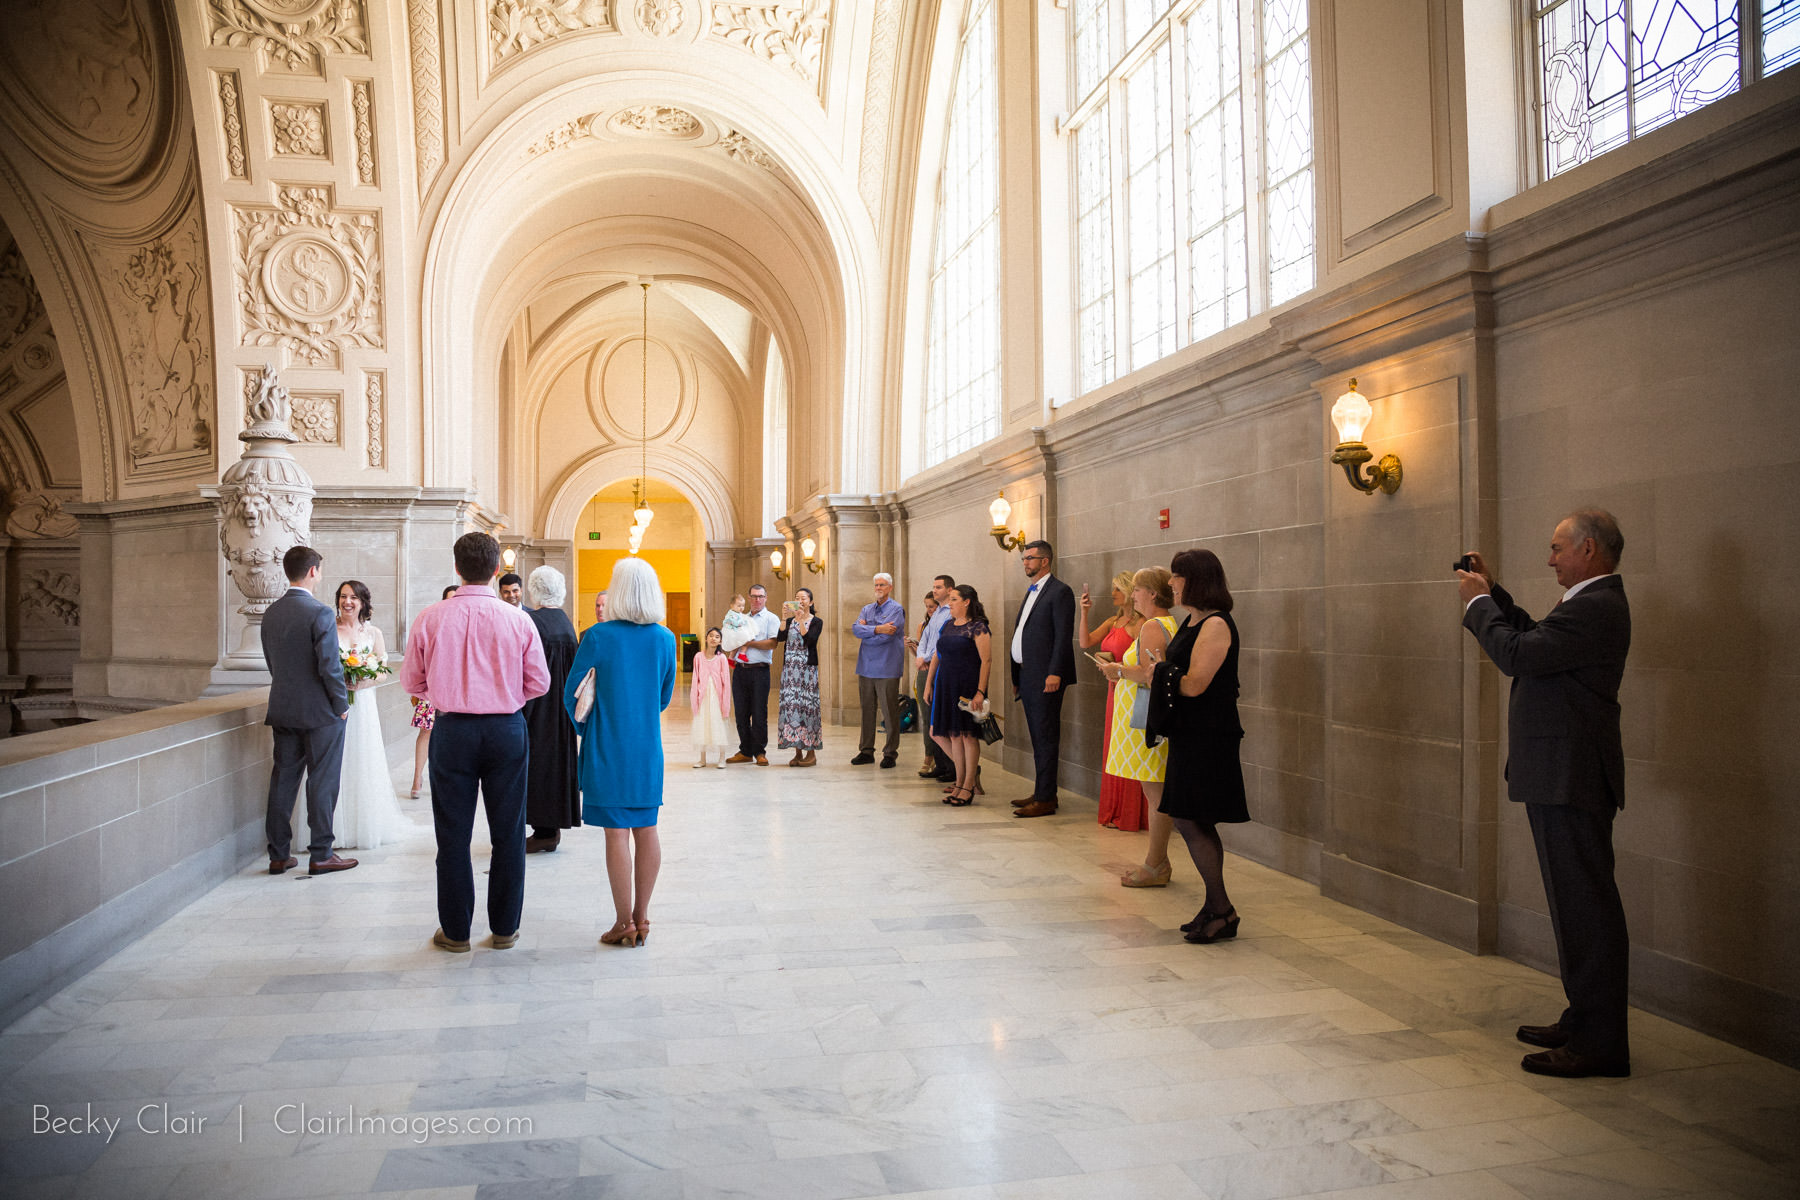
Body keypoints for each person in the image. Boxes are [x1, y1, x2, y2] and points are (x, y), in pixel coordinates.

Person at [1459, 510, 1632, 1079]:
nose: (1550, 558)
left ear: (1588, 549)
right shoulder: (1587, 603)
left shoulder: (1599, 604)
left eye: (1557, 548)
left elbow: (1519, 655)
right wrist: (1495, 594)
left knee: (1586, 907)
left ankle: (1599, 1042)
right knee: (1574, 903)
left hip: (1572, 774)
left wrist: (1476, 607)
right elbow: (1537, 639)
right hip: (1563, 771)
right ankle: (1585, 1017)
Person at [400, 532, 549, 953]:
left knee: (452, 836)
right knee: (507, 833)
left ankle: (456, 932)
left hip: (452, 732)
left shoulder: (431, 617)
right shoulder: (519, 619)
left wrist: (449, 686)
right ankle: (504, 928)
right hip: (505, 729)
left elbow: (411, 681)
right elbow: (539, 682)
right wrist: (504, 694)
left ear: (456, 568)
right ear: (497, 570)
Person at [1130, 548, 1247, 945]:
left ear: (1196, 579)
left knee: (1193, 819)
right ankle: (1216, 905)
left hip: (1209, 735)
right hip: (1190, 732)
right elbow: (1172, 669)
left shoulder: (1215, 623)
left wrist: (1158, 670)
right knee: (1189, 818)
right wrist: (1160, 667)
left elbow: (1196, 683)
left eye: (1177, 576)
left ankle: (1221, 909)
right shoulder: (1192, 620)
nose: (1172, 583)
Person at [564, 557, 677, 947]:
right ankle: (642, 918)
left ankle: (621, 922)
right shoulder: (665, 638)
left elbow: (571, 694)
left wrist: (588, 728)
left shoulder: (598, 636)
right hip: (647, 747)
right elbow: (663, 697)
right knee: (647, 828)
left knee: (616, 834)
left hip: (607, 744)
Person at [261, 545, 355, 877]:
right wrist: (341, 706)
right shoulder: (320, 613)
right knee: (323, 782)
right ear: (313, 571)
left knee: (282, 781)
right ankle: (322, 853)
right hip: (320, 714)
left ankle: (278, 854)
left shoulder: (271, 613)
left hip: (283, 710)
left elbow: (273, 663)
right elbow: (329, 667)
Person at [1098, 569, 1179, 884]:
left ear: (1153, 594)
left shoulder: (1154, 626)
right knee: (1151, 789)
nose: (1133, 596)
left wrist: (1118, 670)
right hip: (1143, 714)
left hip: (1146, 717)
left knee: (1154, 790)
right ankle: (1159, 861)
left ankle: (1155, 865)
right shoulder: (1161, 624)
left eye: (1138, 590)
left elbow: (1149, 674)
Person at [327, 579, 409, 849]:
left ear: (363, 602)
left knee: (363, 758)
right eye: (342, 596)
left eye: (352, 597)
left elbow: (383, 670)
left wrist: (363, 682)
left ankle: (363, 825)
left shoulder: (373, 633)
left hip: (363, 704)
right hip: (334, 704)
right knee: (334, 762)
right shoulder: (329, 629)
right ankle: (333, 827)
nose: (346, 602)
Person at [1009, 541, 1078, 818]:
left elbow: (1063, 636)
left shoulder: (1060, 591)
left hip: (1046, 676)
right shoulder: (1033, 591)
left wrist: (1055, 672)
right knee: (1038, 736)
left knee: (1046, 736)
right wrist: (1017, 674)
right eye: (1024, 559)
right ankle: (1042, 791)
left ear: (1045, 561)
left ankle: (1046, 798)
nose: (1025, 563)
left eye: (1030, 558)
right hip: (1028, 674)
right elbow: (1024, 632)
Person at [1082, 571, 1147, 831]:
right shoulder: (1113, 621)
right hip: (1113, 690)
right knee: (1114, 746)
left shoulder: (1141, 624)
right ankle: (1115, 808)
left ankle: (1131, 812)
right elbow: (1085, 642)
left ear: (1130, 592)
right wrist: (1084, 612)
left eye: (1117, 589)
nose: (1113, 594)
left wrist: (1119, 666)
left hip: (1130, 690)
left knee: (1129, 747)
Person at [522, 566, 580, 853]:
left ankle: (544, 831)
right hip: (562, 711)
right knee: (556, 767)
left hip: (537, 709)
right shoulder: (565, 622)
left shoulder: (531, 621)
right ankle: (550, 828)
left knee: (537, 768)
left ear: (534, 590)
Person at [922, 584, 991, 806]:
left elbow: (986, 661)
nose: (949, 604)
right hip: (945, 685)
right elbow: (937, 655)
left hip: (967, 686)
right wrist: (929, 683)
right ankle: (960, 781)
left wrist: (980, 691)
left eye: (953, 599)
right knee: (953, 735)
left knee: (967, 735)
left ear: (966, 602)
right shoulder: (948, 625)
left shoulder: (978, 627)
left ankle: (969, 784)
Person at [408, 584, 461, 800]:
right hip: (432, 687)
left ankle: (454, 780)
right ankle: (417, 778)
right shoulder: (433, 623)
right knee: (426, 731)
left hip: (457, 689)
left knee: (457, 734)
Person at [851, 572, 906, 767]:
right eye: (876, 585)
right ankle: (866, 751)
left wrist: (870, 631)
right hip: (866, 666)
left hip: (887, 666)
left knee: (889, 711)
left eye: (882, 585)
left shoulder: (896, 609)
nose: (878, 588)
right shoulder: (867, 609)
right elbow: (856, 629)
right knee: (867, 709)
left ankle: (890, 753)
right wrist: (877, 628)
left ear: (890, 587)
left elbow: (888, 636)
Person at [909, 574, 957, 782]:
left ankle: (952, 766)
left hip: (939, 667)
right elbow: (927, 637)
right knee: (929, 717)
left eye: (938, 587)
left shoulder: (950, 612)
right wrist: (920, 656)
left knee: (941, 718)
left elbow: (941, 641)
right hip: (925, 666)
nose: (935, 590)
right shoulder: (937, 612)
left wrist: (925, 657)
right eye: (934, 586)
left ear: (949, 589)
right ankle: (939, 762)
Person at [727, 584, 781, 764]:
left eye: (760, 596)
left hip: (760, 671)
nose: (757, 600)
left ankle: (759, 752)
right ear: (749, 598)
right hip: (741, 671)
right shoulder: (740, 618)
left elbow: (772, 644)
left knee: (759, 713)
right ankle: (745, 750)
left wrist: (749, 643)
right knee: (741, 713)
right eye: (754, 596)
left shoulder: (771, 618)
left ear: (766, 598)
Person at [776, 587, 823, 766]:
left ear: (810, 602)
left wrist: (802, 619)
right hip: (790, 671)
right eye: (797, 598)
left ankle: (811, 754)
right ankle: (797, 752)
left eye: (803, 598)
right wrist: (783, 616)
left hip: (807, 671)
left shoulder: (816, 621)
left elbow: (810, 640)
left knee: (808, 709)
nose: (800, 600)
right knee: (792, 710)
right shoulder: (789, 621)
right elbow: (780, 637)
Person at [690, 627, 733, 767]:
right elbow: (695, 679)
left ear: (720, 640)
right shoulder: (698, 657)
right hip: (703, 698)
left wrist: (725, 705)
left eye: (717, 636)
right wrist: (694, 700)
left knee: (719, 725)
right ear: (706, 638)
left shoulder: (722, 658)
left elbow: (726, 682)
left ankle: (722, 758)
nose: (713, 638)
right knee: (703, 725)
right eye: (711, 636)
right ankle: (702, 759)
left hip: (717, 698)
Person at [909, 590, 941, 774]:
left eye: (933, 606)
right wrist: (914, 648)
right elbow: (921, 655)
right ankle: (929, 754)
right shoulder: (923, 625)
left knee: (938, 716)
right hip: (924, 671)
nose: (929, 610)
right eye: (927, 607)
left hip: (939, 671)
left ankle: (941, 757)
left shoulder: (946, 621)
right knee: (927, 715)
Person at [720, 593, 752, 666]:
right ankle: (742, 653)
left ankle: (731, 658)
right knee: (748, 639)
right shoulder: (731, 614)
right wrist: (743, 622)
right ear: (732, 606)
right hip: (732, 632)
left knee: (736, 646)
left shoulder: (738, 613)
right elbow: (735, 622)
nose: (741, 608)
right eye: (739, 606)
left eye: (743, 606)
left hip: (734, 632)